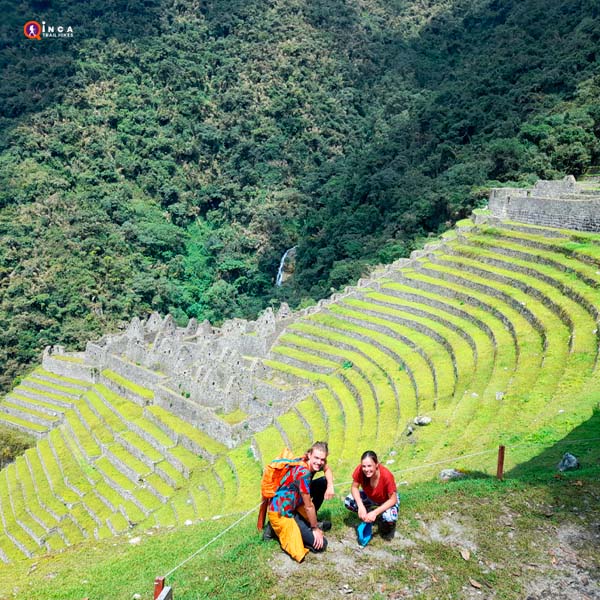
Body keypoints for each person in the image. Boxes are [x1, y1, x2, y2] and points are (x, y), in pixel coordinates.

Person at [265, 441, 334, 562]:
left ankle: (307, 524)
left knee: (324, 482)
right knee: (321, 544)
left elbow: (327, 469)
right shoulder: (304, 473)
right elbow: (308, 506)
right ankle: (275, 530)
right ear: (309, 454)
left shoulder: (311, 462)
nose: (319, 462)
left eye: (322, 459)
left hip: (295, 502)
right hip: (283, 511)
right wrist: (315, 529)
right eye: (316, 458)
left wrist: (330, 486)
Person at [344, 450, 399, 541]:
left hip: (386, 500)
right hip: (370, 497)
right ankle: (367, 513)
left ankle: (383, 521)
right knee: (348, 501)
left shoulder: (386, 476)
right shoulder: (360, 471)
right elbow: (354, 487)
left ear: (376, 464)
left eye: (369, 466)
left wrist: (375, 512)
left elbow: (393, 499)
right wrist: (360, 506)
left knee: (390, 517)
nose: (366, 469)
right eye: (364, 466)